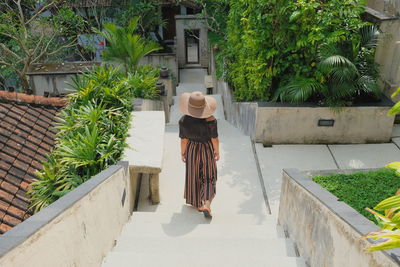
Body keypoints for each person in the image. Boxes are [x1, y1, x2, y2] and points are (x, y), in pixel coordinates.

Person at [179, 91, 219, 218]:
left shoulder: (183, 120)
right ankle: (207, 203)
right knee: (209, 176)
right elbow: (214, 139)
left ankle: (197, 204)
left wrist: (183, 152)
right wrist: (217, 151)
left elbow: (184, 140)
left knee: (193, 175)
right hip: (207, 148)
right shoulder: (211, 120)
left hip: (192, 149)